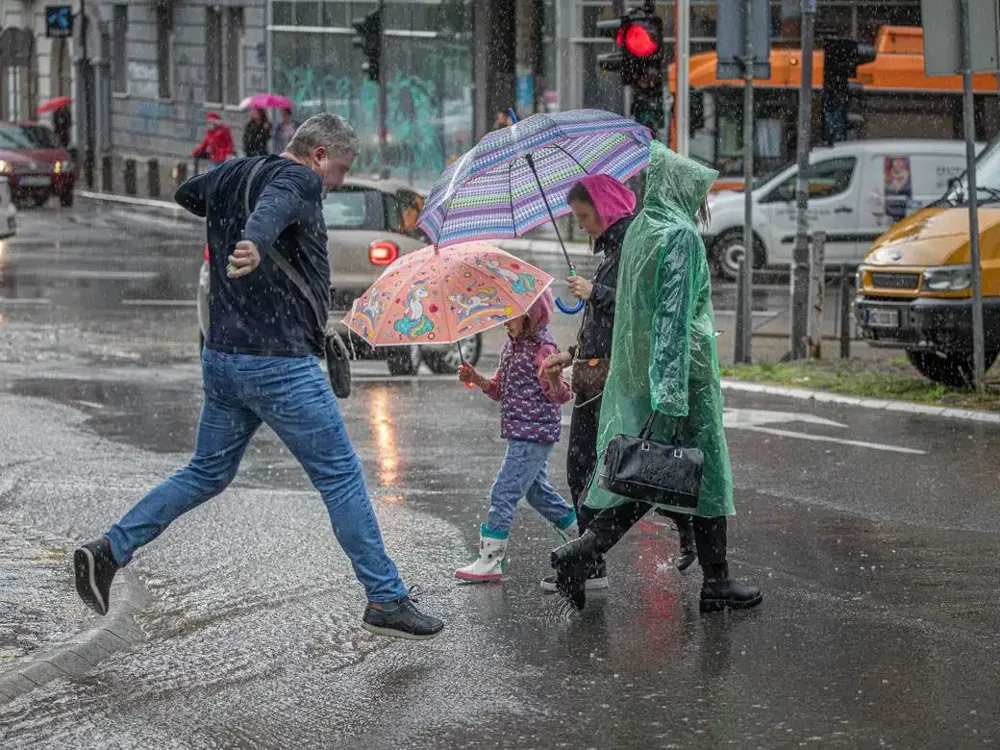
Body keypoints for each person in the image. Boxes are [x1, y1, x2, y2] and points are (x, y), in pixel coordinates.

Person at [73, 113, 444, 640]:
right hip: (280, 365)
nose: (336, 182)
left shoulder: (234, 171)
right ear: (317, 154)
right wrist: (253, 239)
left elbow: (188, 194)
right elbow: (275, 207)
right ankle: (385, 599)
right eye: (338, 169)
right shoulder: (298, 180)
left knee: (205, 473)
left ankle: (108, 551)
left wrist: (237, 219)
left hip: (224, 357)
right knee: (340, 478)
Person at [548, 142, 763, 614]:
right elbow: (670, 319)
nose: (703, 204)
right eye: (699, 193)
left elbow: (632, 311)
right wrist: (670, 395)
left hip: (646, 374)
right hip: (685, 379)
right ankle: (583, 553)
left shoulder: (644, 230)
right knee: (674, 477)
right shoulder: (680, 236)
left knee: (665, 479)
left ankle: (714, 580)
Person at [536, 175, 638, 593]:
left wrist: (595, 290)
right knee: (584, 467)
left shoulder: (631, 245)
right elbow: (599, 324)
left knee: (615, 469)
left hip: (614, 377)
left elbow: (634, 309)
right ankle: (590, 561)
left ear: (605, 208)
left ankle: (590, 559)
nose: (581, 226)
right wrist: (571, 355)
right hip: (594, 372)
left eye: (584, 216)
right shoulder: (612, 248)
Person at [455, 289, 577, 582]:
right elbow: (500, 390)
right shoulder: (510, 348)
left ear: (531, 315)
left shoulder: (543, 349)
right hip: (521, 430)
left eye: (512, 316)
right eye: (503, 315)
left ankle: (490, 559)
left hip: (533, 432)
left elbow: (561, 394)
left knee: (504, 490)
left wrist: (551, 377)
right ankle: (584, 538)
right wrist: (477, 379)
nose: (505, 322)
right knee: (536, 493)